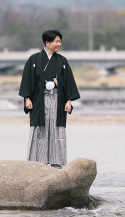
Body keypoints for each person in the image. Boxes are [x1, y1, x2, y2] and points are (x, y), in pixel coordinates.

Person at [19, 30, 80, 168]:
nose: (59, 44)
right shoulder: (33, 60)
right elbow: (26, 80)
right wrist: (27, 99)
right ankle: (37, 162)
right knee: (39, 129)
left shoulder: (62, 61)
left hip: (58, 100)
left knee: (56, 129)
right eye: (56, 41)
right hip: (38, 101)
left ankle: (57, 162)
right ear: (47, 42)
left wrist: (69, 101)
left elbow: (69, 82)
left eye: (59, 41)